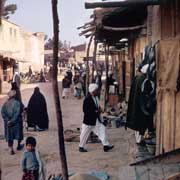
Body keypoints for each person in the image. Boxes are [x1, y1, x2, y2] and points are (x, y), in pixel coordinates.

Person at [79, 83, 114, 152]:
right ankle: (81, 146)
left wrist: (99, 109)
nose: (97, 91)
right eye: (96, 90)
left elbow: (97, 106)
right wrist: (96, 111)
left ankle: (106, 145)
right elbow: (85, 110)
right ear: (92, 91)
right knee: (84, 134)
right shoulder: (87, 99)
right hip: (89, 121)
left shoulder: (96, 97)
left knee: (102, 129)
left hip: (96, 120)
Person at [126, 64, 154, 144]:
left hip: (136, 102)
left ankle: (139, 139)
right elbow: (147, 92)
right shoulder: (144, 80)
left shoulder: (137, 77)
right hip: (140, 104)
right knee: (140, 122)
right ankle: (139, 141)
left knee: (136, 120)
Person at [1, 90, 24, 155]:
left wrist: (7, 120)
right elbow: (17, 113)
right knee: (19, 134)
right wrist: (12, 120)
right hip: (16, 123)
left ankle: (11, 149)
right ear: (14, 96)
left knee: (9, 135)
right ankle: (19, 145)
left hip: (8, 124)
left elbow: (3, 113)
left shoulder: (5, 104)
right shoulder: (17, 103)